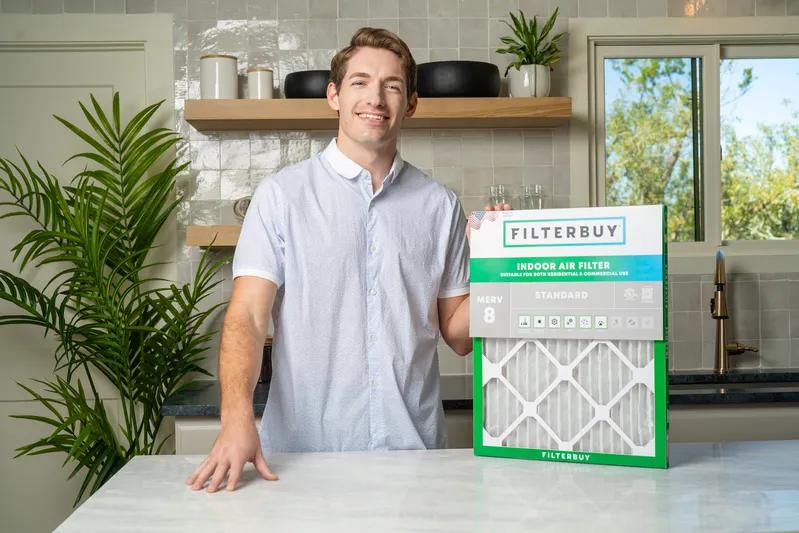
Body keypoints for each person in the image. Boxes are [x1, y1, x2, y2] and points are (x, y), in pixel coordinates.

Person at [186, 27, 509, 494]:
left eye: (392, 86)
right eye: (360, 82)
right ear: (334, 95)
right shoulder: (282, 196)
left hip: (414, 458)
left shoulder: (440, 205)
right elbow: (249, 317)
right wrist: (236, 419)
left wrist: (501, 265)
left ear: (411, 103)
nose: (375, 98)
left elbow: (459, 336)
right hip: (302, 459)